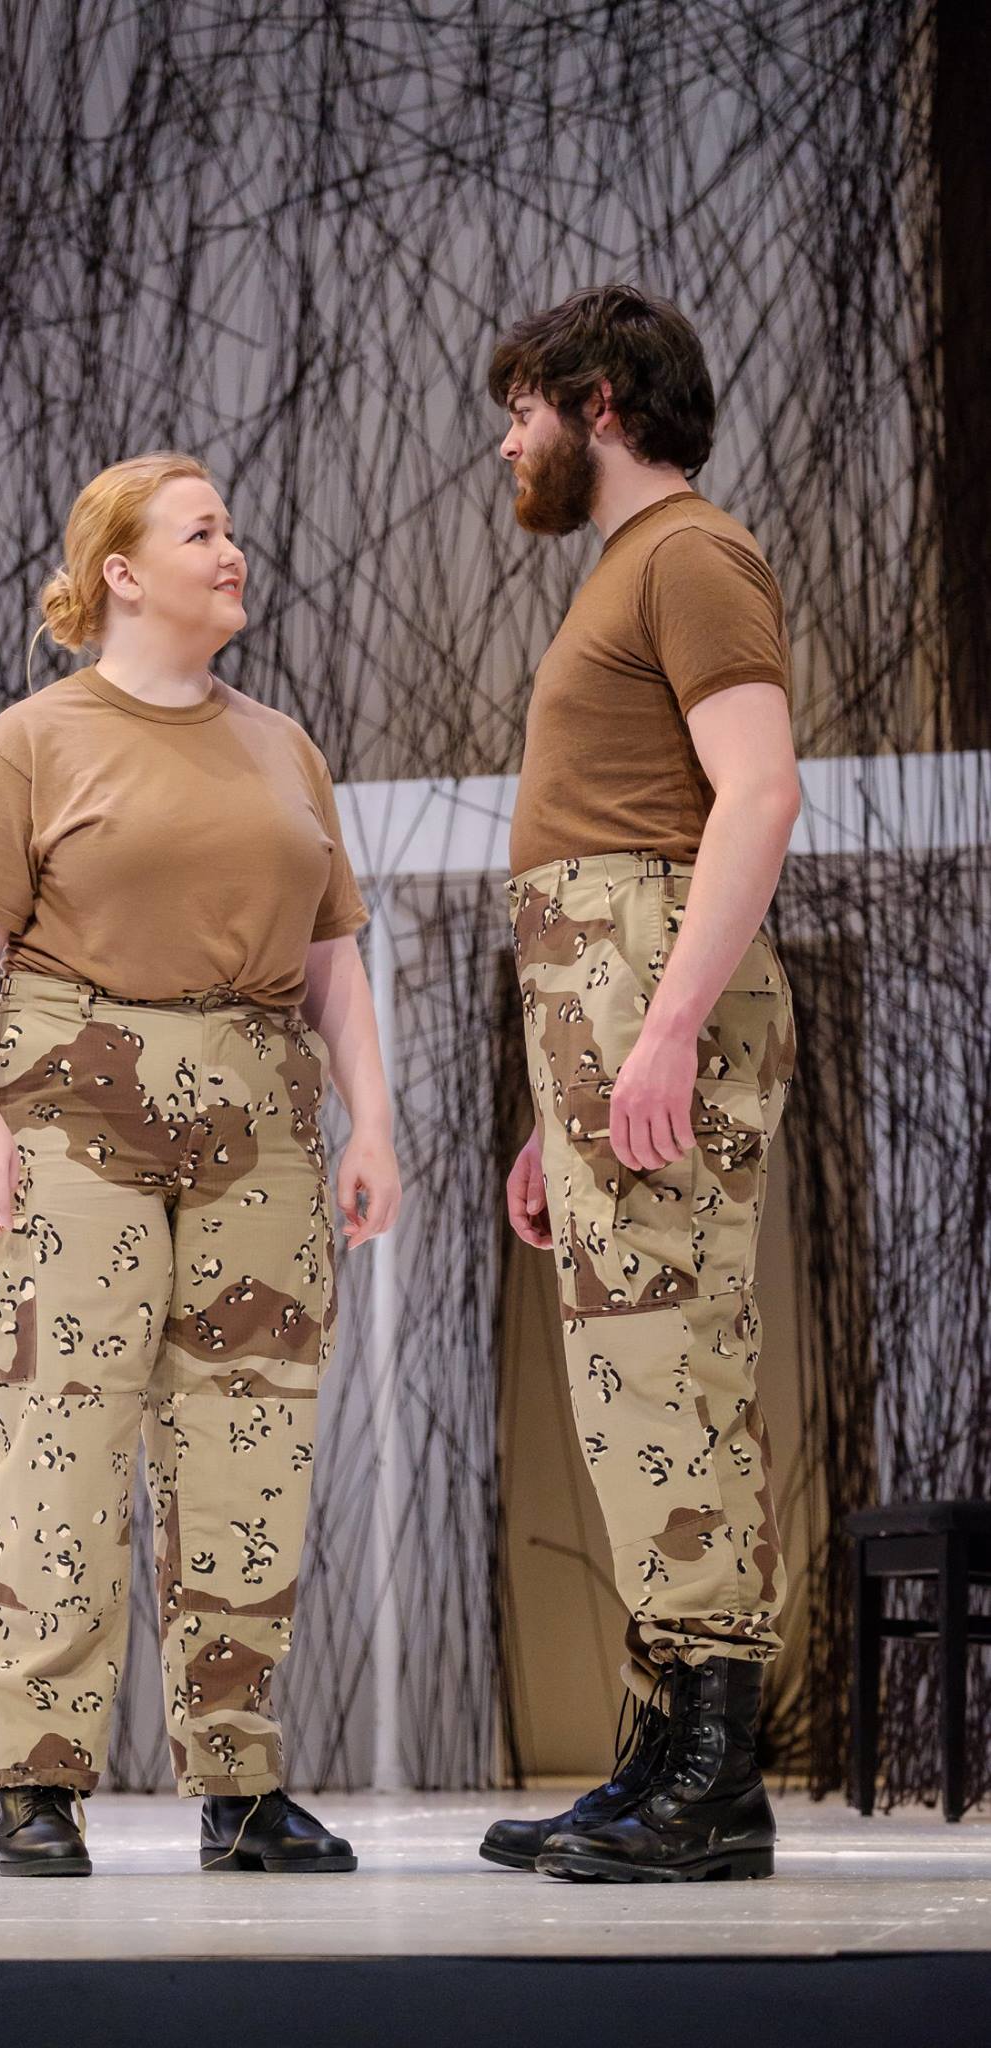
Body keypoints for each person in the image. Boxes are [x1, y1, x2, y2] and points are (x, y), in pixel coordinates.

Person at [0, 450, 401, 1875]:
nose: (231, 551)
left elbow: (332, 958)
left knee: (251, 1445)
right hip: (74, 1107)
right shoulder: (33, 741)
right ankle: (37, 1785)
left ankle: (240, 1785)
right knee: (62, 1434)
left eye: (231, 529)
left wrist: (372, 1124)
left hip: (260, 1116)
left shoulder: (283, 746)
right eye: (202, 532)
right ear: (121, 572)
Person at [479, 285, 801, 1883]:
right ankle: (668, 1756)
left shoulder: (687, 555)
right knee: (633, 1390)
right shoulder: (629, 567)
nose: (506, 443)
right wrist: (561, 1109)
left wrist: (663, 1030)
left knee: (669, 1373)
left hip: (646, 991)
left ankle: (715, 1780)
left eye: (521, 410)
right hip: (602, 1006)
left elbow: (758, 794)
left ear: (597, 402)